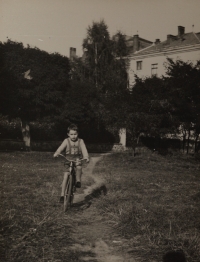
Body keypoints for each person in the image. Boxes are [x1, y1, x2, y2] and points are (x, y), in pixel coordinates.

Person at [53, 124, 89, 203]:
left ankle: (78, 181)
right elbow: (61, 148)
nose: (73, 136)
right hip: (68, 159)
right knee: (65, 176)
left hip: (77, 159)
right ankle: (62, 195)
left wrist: (86, 156)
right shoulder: (66, 141)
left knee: (79, 167)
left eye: (75, 134)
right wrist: (57, 153)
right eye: (71, 134)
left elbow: (84, 149)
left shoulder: (80, 141)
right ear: (68, 134)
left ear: (78, 134)